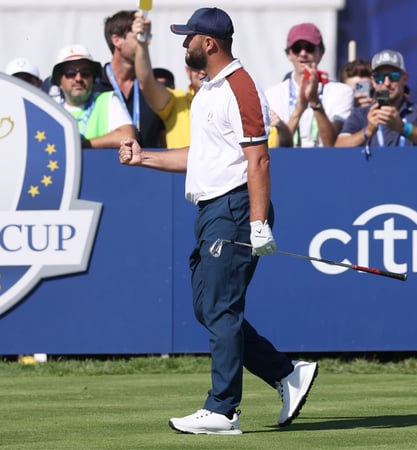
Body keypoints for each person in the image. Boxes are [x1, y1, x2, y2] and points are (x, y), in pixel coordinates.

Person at [119, 7, 318, 435]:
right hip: (212, 210)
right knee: (208, 307)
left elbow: (258, 158)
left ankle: (224, 408)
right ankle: (286, 373)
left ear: (208, 43)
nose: (184, 44)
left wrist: (259, 222)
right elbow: (201, 157)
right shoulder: (210, 89)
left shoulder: (241, 87)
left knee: (221, 307)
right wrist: (144, 158)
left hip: (236, 209)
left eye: (188, 37)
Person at [265, 23, 353, 148]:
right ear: (289, 54)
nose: (303, 53)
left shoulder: (341, 91)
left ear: (321, 52)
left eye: (309, 47)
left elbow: (331, 145)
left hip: (326, 163)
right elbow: (277, 148)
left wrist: (315, 102)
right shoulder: (273, 94)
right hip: (288, 164)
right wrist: (298, 111)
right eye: (297, 48)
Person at [336, 49, 417, 149]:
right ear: (373, 81)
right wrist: (367, 131)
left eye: (394, 76)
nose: (387, 83)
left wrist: (403, 128)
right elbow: (339, 146)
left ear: (405, 78)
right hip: (373, 168)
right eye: (379, 78)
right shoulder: (360, 114)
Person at [131, 11, 204, 149]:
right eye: (195, 64)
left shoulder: (231, 97)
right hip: (180, 170)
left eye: (204, 62)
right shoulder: (177, 101)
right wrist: (142, 43)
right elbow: (147, 83)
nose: (201, 70)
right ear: (187, 70)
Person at [101, 10, 166, 148]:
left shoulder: (153, 88)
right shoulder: (94, 86)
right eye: (139, 36)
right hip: (103, 166)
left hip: (148, 166)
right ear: (116, 40)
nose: (146, 42)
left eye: (148, 36)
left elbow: (164, 139)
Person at [52, 44, 135, 149]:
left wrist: (83, 145)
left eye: (85, 72)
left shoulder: (108, 100)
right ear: (59, 80)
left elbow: (127, 136)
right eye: (71, 72)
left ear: (93, 78)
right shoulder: (51, 108)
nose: (78, 78)